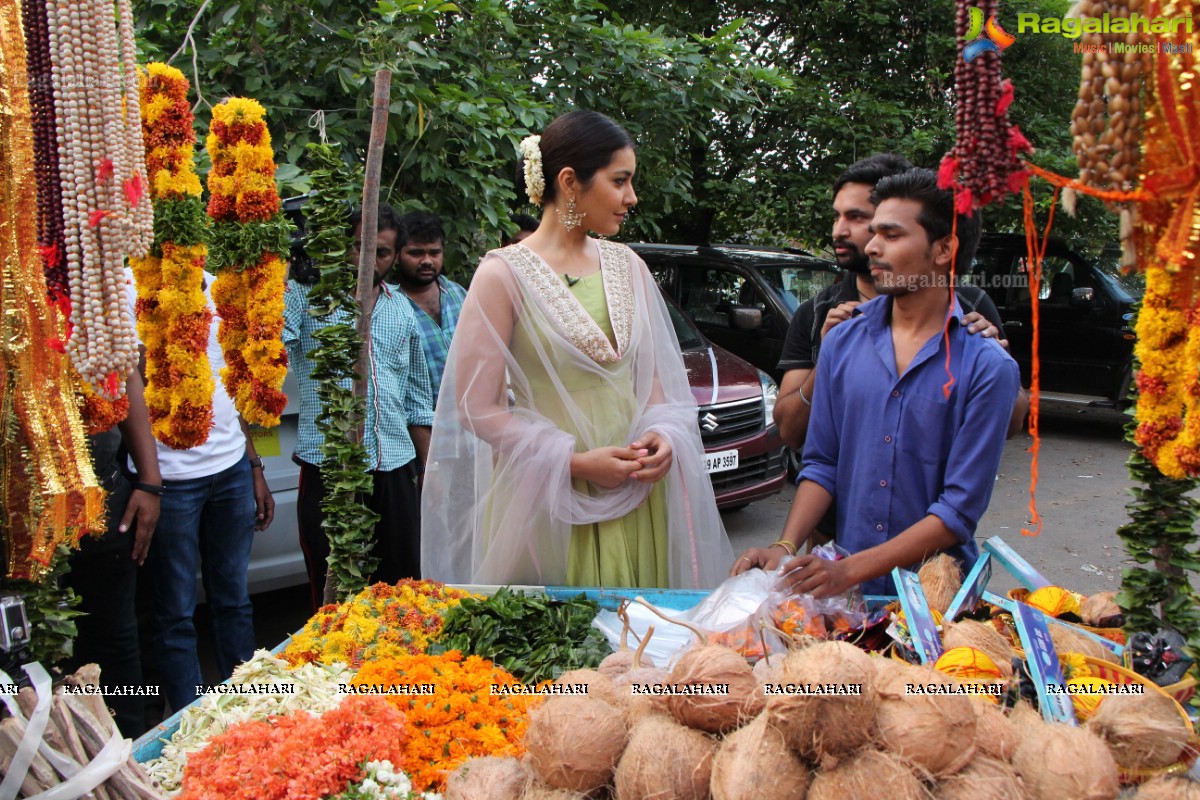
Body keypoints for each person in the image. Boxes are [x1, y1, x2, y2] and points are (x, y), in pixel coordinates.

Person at [421, 110, 731, 588]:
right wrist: (573, 463)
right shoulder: (503, 274)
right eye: (620, 180)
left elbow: (649, 382)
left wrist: (663, 435)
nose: (632, 197)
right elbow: (476, 409)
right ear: (570, 181)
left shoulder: (629, 266)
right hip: (549, 497)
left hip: (637, 490)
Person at [732, 168, 1021, 597]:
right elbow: (822, 463)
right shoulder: (842, 342)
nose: (871, 246)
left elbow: (958, 511)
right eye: (874, 233)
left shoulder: (988, 365)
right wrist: (786, 545)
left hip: (935, 601)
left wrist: (850, 571)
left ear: (944, 248)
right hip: (841, 599)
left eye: (891, 234)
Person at [774, 153, 1028, 451]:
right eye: (837, 216)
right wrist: (828, 360)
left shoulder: (969, 306)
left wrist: (992, 361)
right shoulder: (816, 314)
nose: (838, 231)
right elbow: (790, 433)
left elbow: (1012, 424)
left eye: (857, 217)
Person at [126, 270, 273, 713]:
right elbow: (127, 385)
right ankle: (190, 727)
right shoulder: (130, 287)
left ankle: (246, 712)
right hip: (170, 481)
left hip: (230, 470)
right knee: (174, 613)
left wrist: (253, 466)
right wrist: (149, 483)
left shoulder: (221, 285)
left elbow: (235, 383)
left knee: (234, 600)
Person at [284, 205, 434, 610]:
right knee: (333, 591)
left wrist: (428, 474)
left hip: (396, 466)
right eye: (357, 247)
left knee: (404, 590)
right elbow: (269, 347)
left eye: (382, 252)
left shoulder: (402, 308)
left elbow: (419, 402)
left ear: (394, 256)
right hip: (330, 468)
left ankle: (401, 670)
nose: (368, 259)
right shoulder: (306, 297)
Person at [63, 368, 159, 737]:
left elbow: (127, 371)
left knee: (116, 644)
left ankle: (131, 755)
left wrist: (149, 481)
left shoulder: (96, 310)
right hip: (23, 515)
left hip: (103, 497)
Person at [392, 210, 466, 407]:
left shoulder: (459, 294)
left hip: (474, 420)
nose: (426, 261)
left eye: (434, 253)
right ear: (397, 255)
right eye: (416, 253)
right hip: (421, 424)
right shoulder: (389, 305)